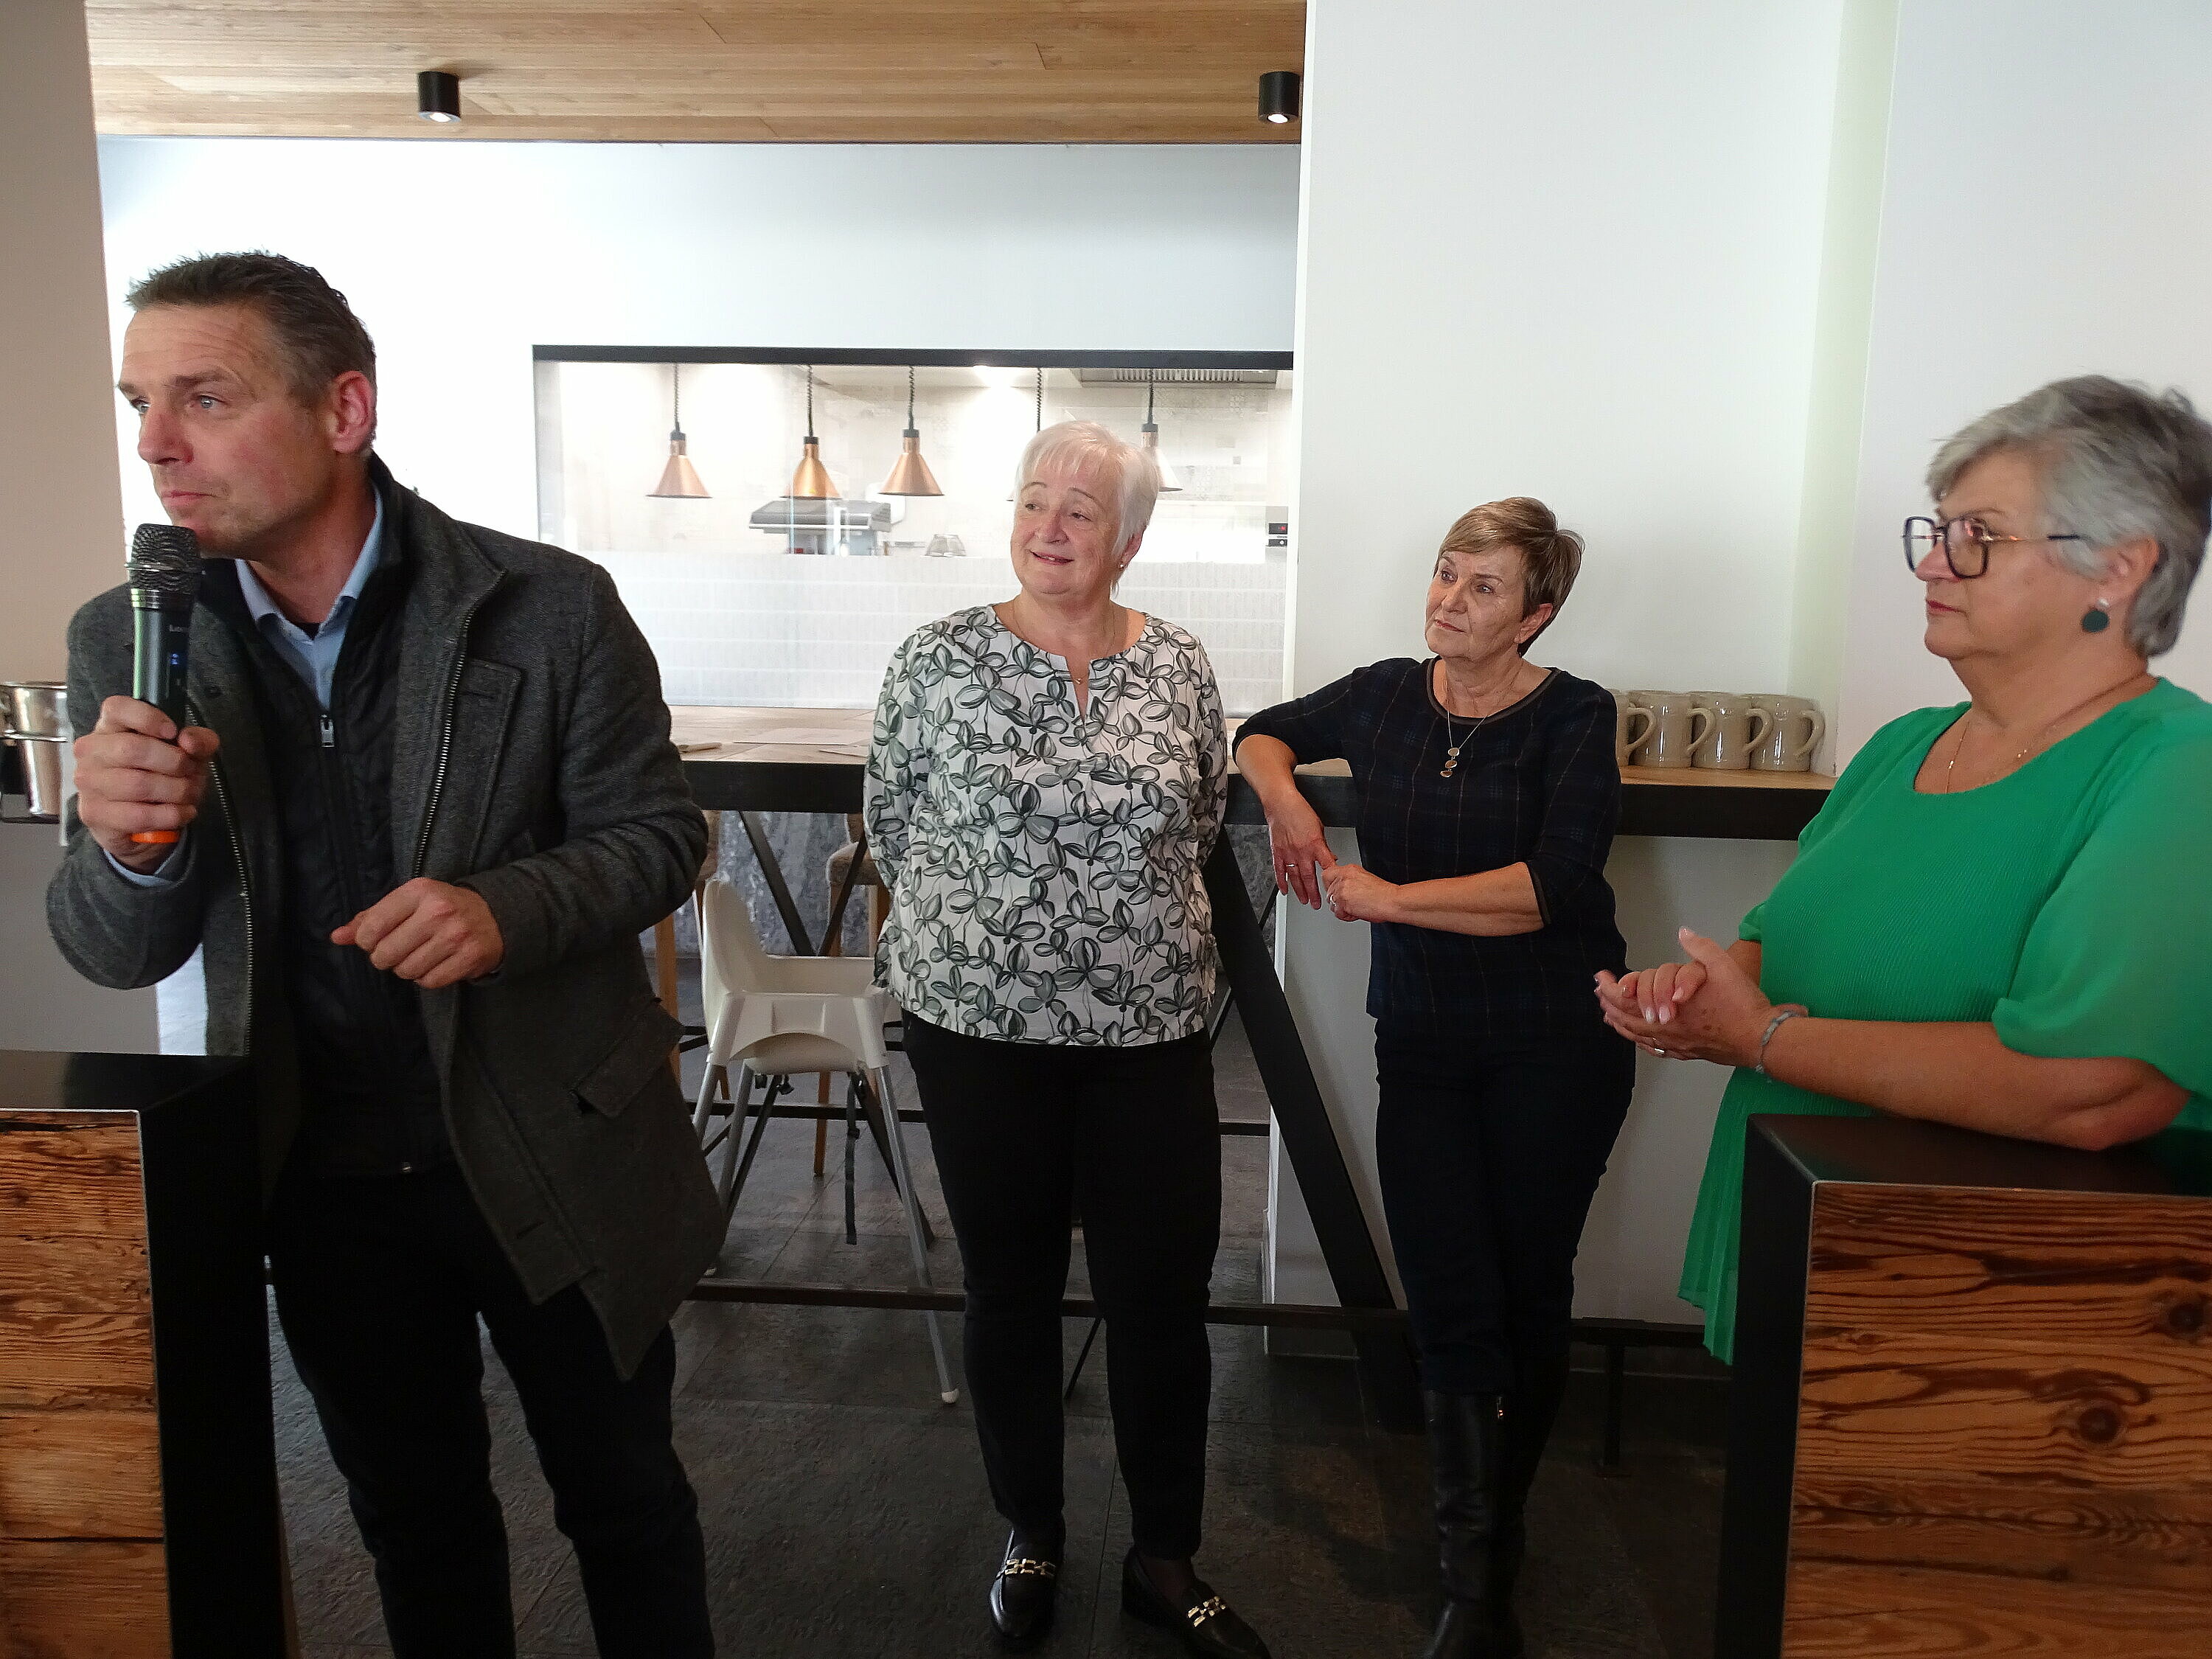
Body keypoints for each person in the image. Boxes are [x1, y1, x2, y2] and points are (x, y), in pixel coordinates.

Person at [49, 253, 722, 1659]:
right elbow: (113, 949)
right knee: (416, 1526)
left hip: (550, 1143)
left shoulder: (547, 606)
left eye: (204, 398)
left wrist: (504, 910)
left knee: (624, 1502)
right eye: (140, 403)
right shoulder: (131, 638)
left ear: (344, 408)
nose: (157, 444)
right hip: (321, 1176)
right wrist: (129, 849)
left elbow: (660, 838)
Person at [1599, 376, 2212, 1364]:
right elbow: (1779, 945)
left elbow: (2094, 1089)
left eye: (1980, 537)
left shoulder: (2179, 769)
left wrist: (1761, 1038)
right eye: (1936, 531)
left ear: (2119, 567)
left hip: (1979, 1315)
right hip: (1805, 1244)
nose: (1934, 561)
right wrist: (1701, 996)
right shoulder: (1901, 747)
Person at [865, 420, 1267, 1658]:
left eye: (1081, 509)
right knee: (1010, 1286)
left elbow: (1202, 817)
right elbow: (893, 822)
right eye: (1034, 499)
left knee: (1163, 1295)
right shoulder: (935, 658)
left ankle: (1165, 1556)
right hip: (978, 1026)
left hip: (1150, 1028)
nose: (1049, 525)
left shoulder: (1179, 663)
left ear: (1128, 539)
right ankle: (1031, 1529)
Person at [1237, 498, 1631, 1659]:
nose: (1450, 599)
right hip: (1421, 1037)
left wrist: (1388, 899)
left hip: (1556, 1040)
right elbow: (1261, 731)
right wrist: (1289, 803)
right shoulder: (1382, 694)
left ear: (1536, 615)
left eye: (1484, 586)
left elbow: (1554, 886)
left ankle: (1493, 1550)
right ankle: (1472, 1580)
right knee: (1449, 1286)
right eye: (1447, 572)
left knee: (1526, 1288)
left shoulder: (1575, 714)